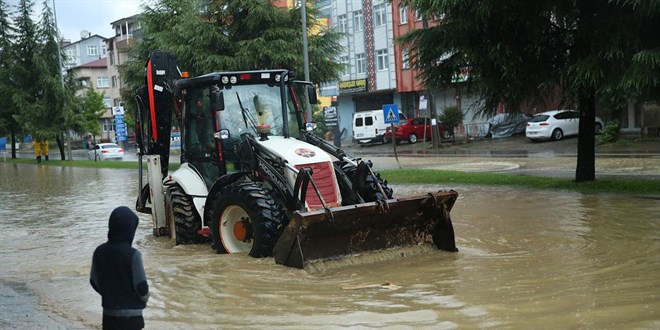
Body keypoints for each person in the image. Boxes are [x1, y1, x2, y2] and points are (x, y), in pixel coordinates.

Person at [90, 206, 149, 330]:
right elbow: (141, 286)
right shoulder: (134, 254)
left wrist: (109, 295)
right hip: (133, 317)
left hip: (109, 314)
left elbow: (94, 280)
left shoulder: (99, 251)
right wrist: (144, 299)